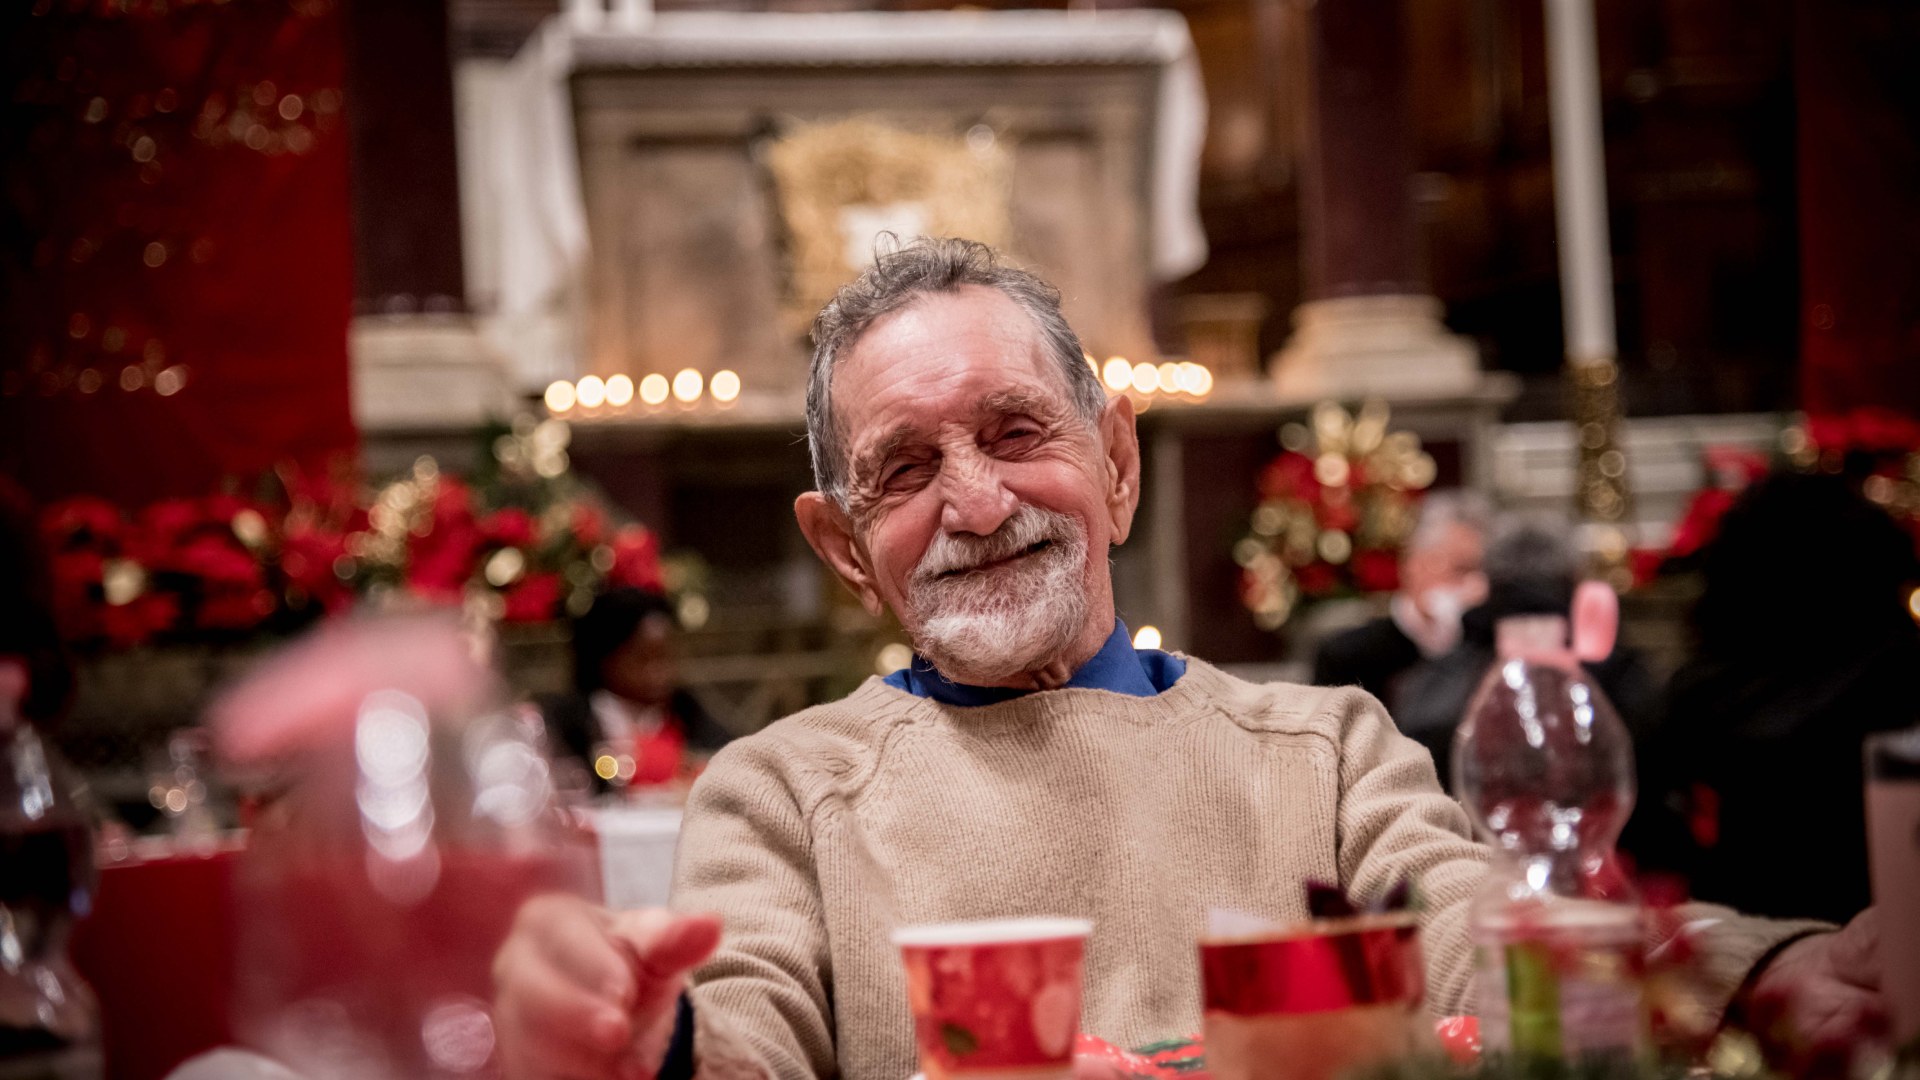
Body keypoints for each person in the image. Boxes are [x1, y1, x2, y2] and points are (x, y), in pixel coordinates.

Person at [492, 239, 1883, 1080]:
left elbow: (1485, 941)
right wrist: (648, 1044)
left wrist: (1750, 973)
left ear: (1116, 458)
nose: (977, 505)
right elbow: (741, 1035)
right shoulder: (783, 792)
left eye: (1019, 433)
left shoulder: (1324, 748)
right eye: (904, 471)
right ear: (846, 546)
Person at [1627, 471, 1920, 923]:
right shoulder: (1900, 673)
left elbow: (1642, 821)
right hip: (1890, 924)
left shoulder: (1699, 694)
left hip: (1748, 934)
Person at [1388, 514, 1659, 792]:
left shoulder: (1447, 673)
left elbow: (1415, 756)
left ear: (1487, 583)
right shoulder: (1616, 672)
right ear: (1575, 580)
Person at [541, 587, 733, 792]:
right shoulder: (571, 721)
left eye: (666, 657)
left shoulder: (687, 712)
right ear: (605, 659)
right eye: (644, 659)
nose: (660, 672)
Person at [1311, 491, 1490, 706]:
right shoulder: (1348, 657)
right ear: (1413, 564)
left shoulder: (1488, 649)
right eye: (1460, 569)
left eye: (1482, 573)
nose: (1475, 586)